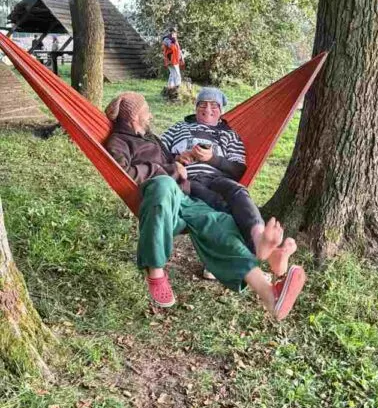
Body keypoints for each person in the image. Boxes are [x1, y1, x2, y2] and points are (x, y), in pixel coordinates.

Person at [104, 91, 305, 320]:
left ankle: (270, 295)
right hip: (160, 198)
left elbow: (170, 159)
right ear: (134, 117)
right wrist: (170, 170)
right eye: (146, 111)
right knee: (163, 183)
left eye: (214, 106)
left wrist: (180, 159)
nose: (150, 116)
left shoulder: (150, 137)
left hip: (185, 196)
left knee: (220, 223)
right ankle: (155, 270)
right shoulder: (119, 142)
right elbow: (123, 171)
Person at [160, 87, 278, 282]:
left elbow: (238, 169)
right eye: (202, 104)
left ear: (221, 110)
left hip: (218, 178)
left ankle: (259, 240)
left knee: (239, 192)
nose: (208, 109)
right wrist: (177, 158)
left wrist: (212, 159)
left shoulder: (229, 135)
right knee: (220, 207)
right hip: (187, 180)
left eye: (214, 105)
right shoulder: (178, 128)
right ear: (196, 107)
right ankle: (225, 265)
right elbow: (157, 153)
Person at [162, 27, 184, 99]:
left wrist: (181, 58)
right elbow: (172, 48)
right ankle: (178, 89)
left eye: (175, 32)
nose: (175, 33)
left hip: (175, 59)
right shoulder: (167, 39)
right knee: (177, 75)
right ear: (171, 32)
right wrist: (173, 40)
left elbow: (178, 50)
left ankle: (170, 88)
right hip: (171, 59)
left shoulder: (174, 40)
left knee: (172, 74)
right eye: (174, 32)